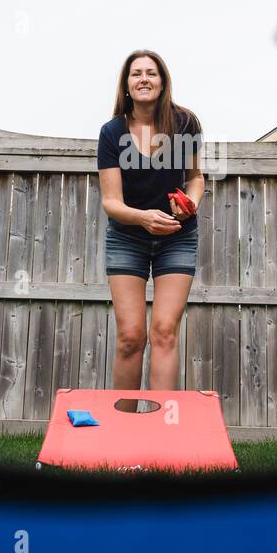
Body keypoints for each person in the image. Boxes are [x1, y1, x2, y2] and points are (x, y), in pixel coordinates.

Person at [96, 50, 204, 408]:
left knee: (164, 332)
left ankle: (162, 433)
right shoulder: (112, 133)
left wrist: (189, 205)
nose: (144, 79)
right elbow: (111, 202)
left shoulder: (185, 123)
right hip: (127, 238)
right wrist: (143, 217)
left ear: (162, 81)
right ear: (126, 84)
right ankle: (122, 432)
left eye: (151, 73)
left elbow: (195, 179)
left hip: (177, 237)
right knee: (130, 336)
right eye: (136, 74)